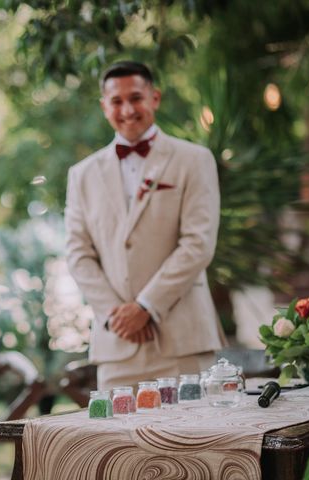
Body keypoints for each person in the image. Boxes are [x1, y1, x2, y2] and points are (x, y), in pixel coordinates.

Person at [64, 61, 226, 392]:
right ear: (103, 106)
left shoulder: (195, 160)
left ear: (155, 98)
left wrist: (146, 306)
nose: (127, 110)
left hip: (184, 342)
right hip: (117, 347)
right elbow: (78, 254)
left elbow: (198, 244)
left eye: (136, 98)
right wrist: (116, 314)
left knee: (193, 440)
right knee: (119, 443)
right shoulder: (81, 175)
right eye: (116, 101)